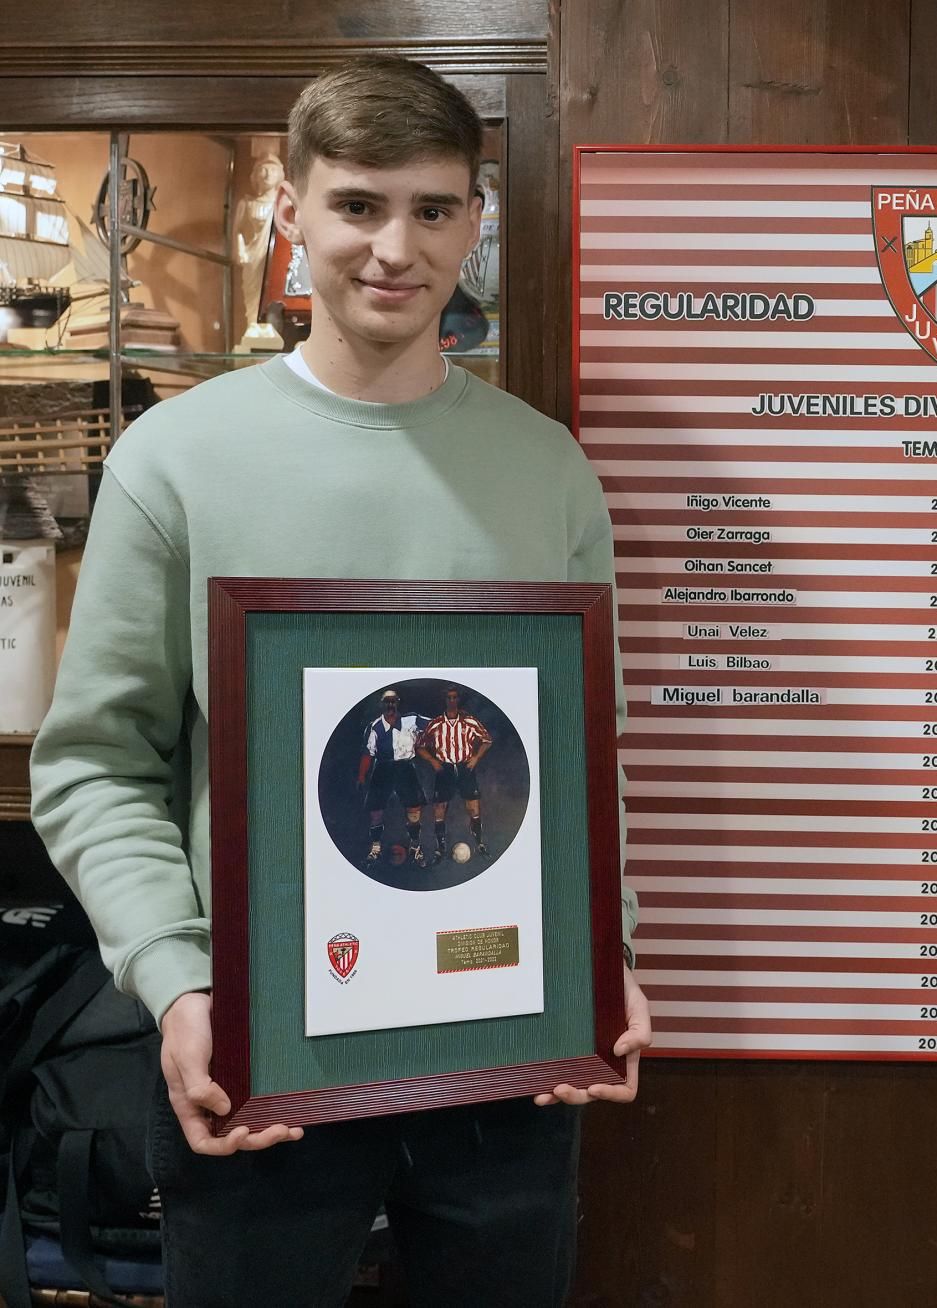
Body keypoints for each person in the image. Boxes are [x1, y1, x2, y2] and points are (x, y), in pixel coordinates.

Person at [30, 56, 649, 1308]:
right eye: (359, 205)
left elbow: (579, 757)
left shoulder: (547, 471)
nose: (394, 247)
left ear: (473, 223)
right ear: (292, 217)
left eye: (433, 209)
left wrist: (601, 952)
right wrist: (180, 980)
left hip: (507, 1050)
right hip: (258, 1050)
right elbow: (96, 761)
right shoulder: (176, 461)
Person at [357, 686, 433, 867]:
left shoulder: (411, 720)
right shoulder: (374, 727)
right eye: (387, 701)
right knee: (376, 811)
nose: (390, 705)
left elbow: (436, 725)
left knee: (414, 809)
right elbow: (368, 754)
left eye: (393, 701)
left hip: (405, 767)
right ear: (382, 704)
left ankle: (415, 848)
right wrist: (361, 776)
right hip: (382, 769)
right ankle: (375, 848)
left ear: (398, 703)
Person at [421, 683, 494, 862]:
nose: (452, 701)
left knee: (473, 808)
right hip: (444, 768)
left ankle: (480, 843)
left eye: (455, 697)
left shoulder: (469, 721)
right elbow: (420, 746)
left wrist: (476, 758)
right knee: (440, 808)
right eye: (449, 698)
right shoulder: (436, 724)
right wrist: (433, 760)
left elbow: (487, 740)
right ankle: (440, 848)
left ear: (458, 699)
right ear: (445, 700)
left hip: (464, 767)